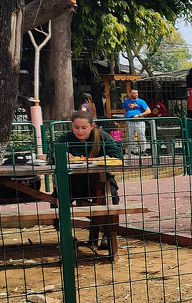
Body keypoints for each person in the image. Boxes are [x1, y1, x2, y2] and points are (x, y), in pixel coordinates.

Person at [54, 111, 124, 248]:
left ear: (92, 126)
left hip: (99, 179)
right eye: (76, 127)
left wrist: (95, 159)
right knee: (57, 197)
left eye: (84, 128)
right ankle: (65, 236)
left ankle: (108, 235)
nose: (80, 131)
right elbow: (53, 151)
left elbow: (117, 156)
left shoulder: (102, 137)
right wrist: (60, 155)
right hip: (74, 180)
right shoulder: (66, 138)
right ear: (71, 126)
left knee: (113, 195)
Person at [121, 88, 151, 155]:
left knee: (141, 136)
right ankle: (133, 151)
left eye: (137, 93)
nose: (136, 94)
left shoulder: (141, 101)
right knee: (130, 136)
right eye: (134, 93)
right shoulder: (126, 101)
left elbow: (148, 111)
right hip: (130, 121)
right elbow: (124, 110)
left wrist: (140, 115)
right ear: (130, 94)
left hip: (139, 121)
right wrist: (126, 117)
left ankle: (143, 150)